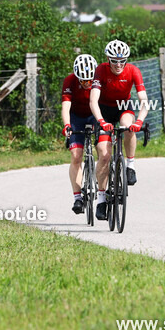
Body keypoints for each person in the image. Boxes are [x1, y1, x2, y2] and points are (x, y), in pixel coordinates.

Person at [88, 39, 149, 221]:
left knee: (128, 126)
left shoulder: (133, 71)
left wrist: (139, 121)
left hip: (123, 106)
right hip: (103, 110)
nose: (119, 65)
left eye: (122, 61)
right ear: (108, 59)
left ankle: (130, 165)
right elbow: (93, 101)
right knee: (105, 156)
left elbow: (144, 101)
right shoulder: (100, 70)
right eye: (114, 61)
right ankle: (100, 200)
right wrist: (100, 121)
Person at [61, 53, 98, 215]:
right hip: (76, 118)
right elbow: (65, 107)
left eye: (89, 80)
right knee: (76, 156)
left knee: (105, 149)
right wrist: (67, 125)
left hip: (95, 115)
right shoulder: (69, 81)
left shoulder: (98, 80)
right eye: (83, 80)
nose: (87, 84)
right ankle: (77, 197)